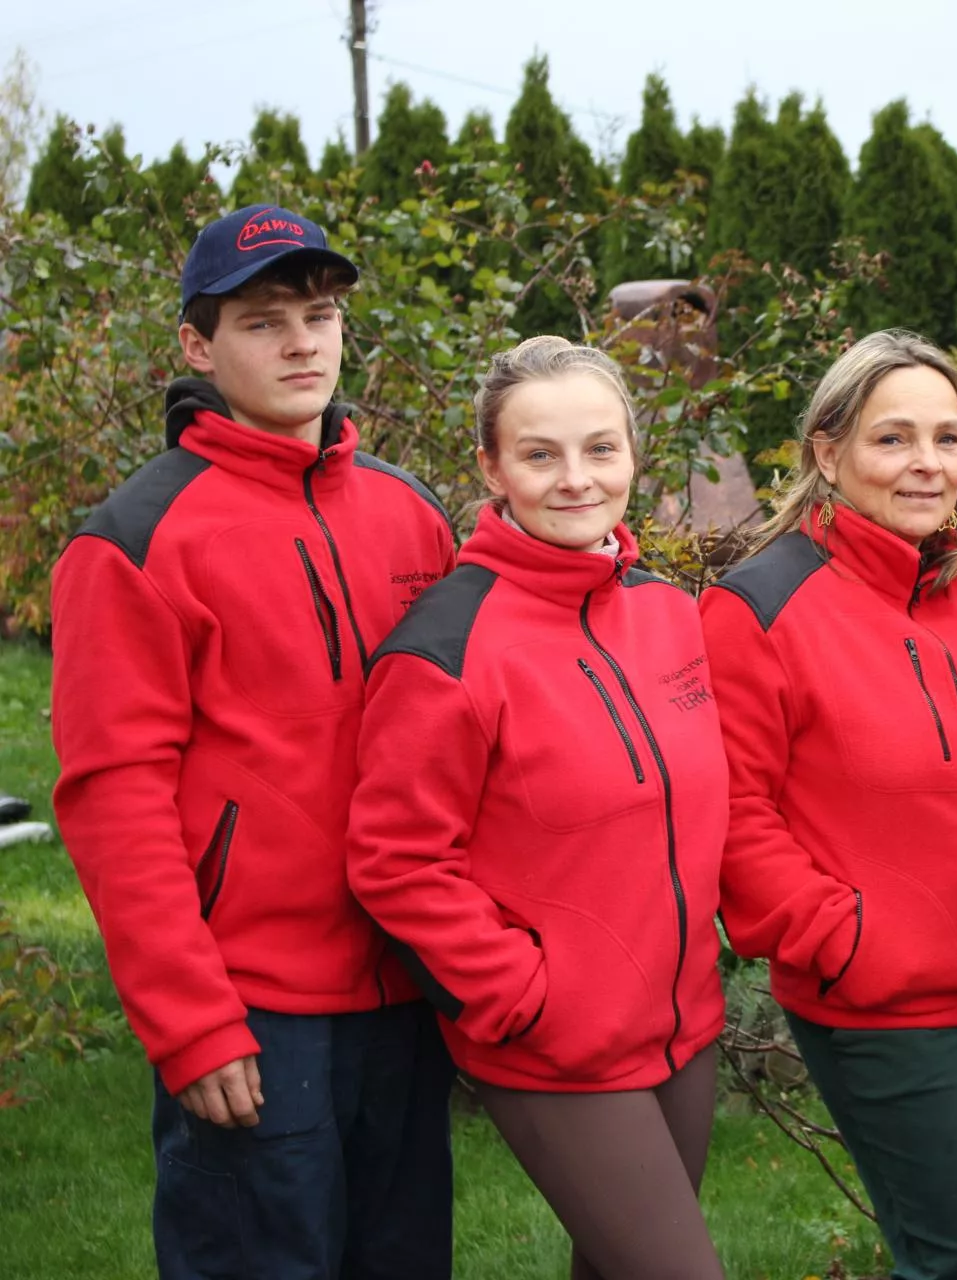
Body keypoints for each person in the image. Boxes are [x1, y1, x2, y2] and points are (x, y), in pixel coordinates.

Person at [49, 204, 459, 1278]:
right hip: (256, 1005)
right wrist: (192, 1020)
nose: (301, 343)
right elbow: (113, 799)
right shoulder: (134, 540)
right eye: (264, 320)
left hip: (407, 991)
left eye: (319, 316)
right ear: (198, 345)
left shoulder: (411, 513)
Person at [701, 329, 957, 1279]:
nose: (927, 464)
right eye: (892, 439)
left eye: (947, 438)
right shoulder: (756, 608)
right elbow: (735, 815)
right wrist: (843, 938)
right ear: (828, 452)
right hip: (880, 1001)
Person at [344, 336, 727, 1278]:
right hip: (559, 1049)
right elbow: (395, 858)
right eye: (540, 454)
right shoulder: (446, 646)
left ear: (634, 455)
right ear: (491, 465)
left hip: (685, 1023)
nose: (576, 480)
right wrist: (524, 998)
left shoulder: (668, 614)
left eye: (601, 449)